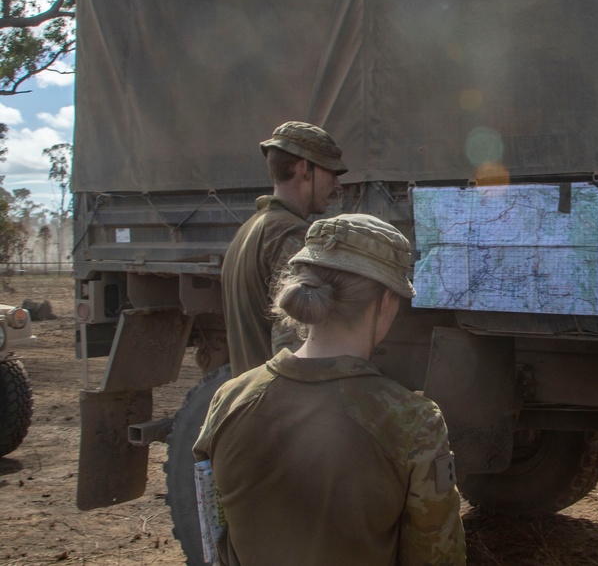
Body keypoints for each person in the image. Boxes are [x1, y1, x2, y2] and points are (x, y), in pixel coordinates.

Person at [194, 213, 466, 565]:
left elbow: (213, 536)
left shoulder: (229, 399)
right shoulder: (414, 424)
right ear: (385, 302)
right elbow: (437, 558)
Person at [222, 121, 348, 376]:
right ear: (305, 168)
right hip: (280, 405)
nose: (337, 185)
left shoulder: (249, 229)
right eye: (331, 172)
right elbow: (296, 342)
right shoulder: (292, 233)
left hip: (253, 397)